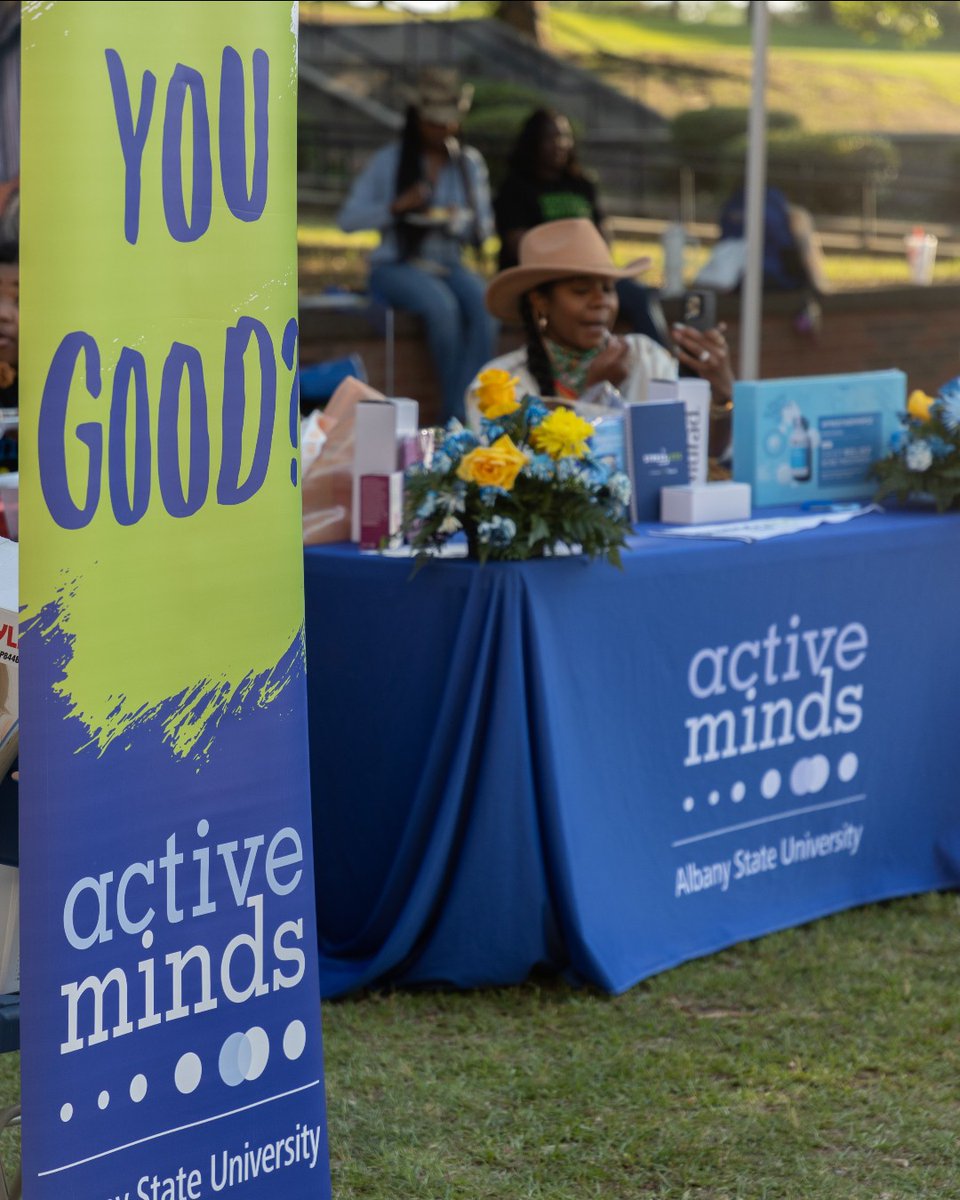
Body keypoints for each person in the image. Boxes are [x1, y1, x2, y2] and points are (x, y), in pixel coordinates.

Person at [469, 219, 733, 457]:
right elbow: (525, 489)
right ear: (540, 302)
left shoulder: (645, 357)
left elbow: (700, 453)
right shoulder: (499, 383)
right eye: (582, 290)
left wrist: (722, 397)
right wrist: (596, 396)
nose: (601, 302)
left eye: (608, 289)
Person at [337, 68, 497, 422]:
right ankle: (455, 417)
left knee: (486, 308)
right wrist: (396, 207)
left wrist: (463, 220)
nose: (442, 131)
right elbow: (348, 220)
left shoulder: (468, 165)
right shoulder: (389, 161)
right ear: (416, 119)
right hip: (397, 263)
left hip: (449, 262)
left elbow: (485, 227)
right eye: (433, 123)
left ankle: (463, 410)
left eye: (449, 123)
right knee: (442, 308)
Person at [493, 107, 669, 347]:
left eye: (565, 136)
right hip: (545, 279)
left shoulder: (581, 184)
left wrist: (598, 264)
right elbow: (517, 243)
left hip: (592, 272)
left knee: (639, 295)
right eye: (550, 137)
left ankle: (663, 364)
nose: (560, 144)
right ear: (532, 142)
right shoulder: (516, 188)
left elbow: (602, 233)